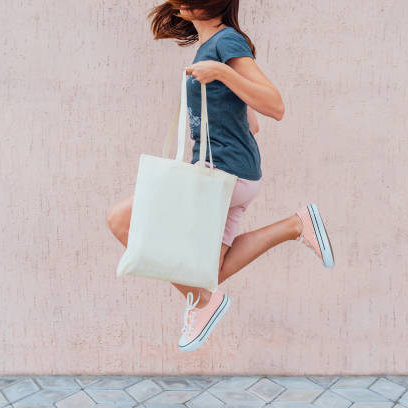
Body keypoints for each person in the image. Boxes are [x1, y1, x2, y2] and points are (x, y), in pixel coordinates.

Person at [107, 0, 335, 353]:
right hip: (235, 174)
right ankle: (296, 225)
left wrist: (222, 73)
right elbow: (251, 121)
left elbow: (275, 106)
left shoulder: (225, 43)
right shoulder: (211, 45)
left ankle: (202, 303)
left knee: (122, 219)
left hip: (224, 174)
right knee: (208, 271)